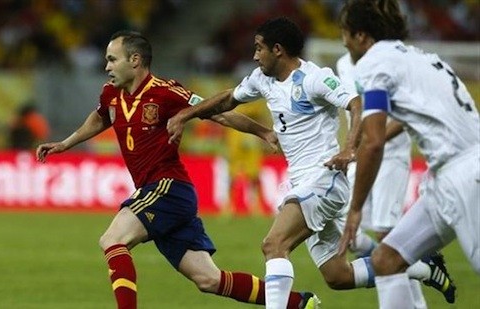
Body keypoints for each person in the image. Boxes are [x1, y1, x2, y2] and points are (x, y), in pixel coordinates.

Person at [167, 17, 456, 309]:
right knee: (337, 275)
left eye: (259, 48)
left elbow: (356, 104)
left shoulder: (315, 79)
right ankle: (423, 267)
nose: (255, 56)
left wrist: (348, 149)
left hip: (325, 178)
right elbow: (228, 100)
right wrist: (186, 114)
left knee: (274, 244)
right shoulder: (261, 79)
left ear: (277, 49)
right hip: (301, 182)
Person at [35, 30, 320, 309]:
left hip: (167, 187)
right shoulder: (111, 93)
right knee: (209, 279)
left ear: (135, 60)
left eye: (112, 59)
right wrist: (65, 143)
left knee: (112, 239)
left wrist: (263, 132)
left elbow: (217, 112)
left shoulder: (165, 92)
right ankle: (299, 303)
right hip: (163, 196)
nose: (107, 66)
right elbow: (100, 119)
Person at [337, 1, 480, 308]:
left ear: (361, 36)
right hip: (446, 176)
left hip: (466, 176)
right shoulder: (418, 57)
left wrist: (355, 209)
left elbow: (373, 141)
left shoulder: (373, 63)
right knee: (387, 260)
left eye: (346, 33)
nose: (344, 41)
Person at [336, 52, 431, 308]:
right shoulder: (343, 64)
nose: (345, 40)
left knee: (387, 236)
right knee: (343, 231)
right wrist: (350, 147)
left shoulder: (393, 61)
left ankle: (417, 304)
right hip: (361, 156)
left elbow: (406, 113)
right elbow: (354, 113)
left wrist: (375, 139)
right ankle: (425, 269)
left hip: (392, 155)